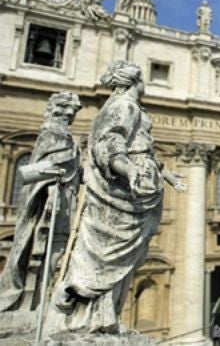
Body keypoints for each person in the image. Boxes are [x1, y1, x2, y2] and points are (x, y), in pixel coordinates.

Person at [50, 60, 186, 334]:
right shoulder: (123, 106)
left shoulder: (131, 108)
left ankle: (104, 317)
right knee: (109, 255)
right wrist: (127, 168)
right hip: (125, 192)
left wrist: (165, 173)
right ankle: (90, 317)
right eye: (143, 79)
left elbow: (141, 148)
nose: (146, 84)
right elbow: (109, 143)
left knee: (123, 258)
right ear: (133, 82)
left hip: (139, 190)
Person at [0, 92, 82, 311]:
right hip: (45, 202)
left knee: (57, 253)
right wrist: (53, 175)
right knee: (32, 252)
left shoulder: (69, 139)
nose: (69, 114)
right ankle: (27, 304)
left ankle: (39, 302)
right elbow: (29, 172)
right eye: (65, 108)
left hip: (65, 203)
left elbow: (76, 173)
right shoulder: (50, 135)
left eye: (73, 111)